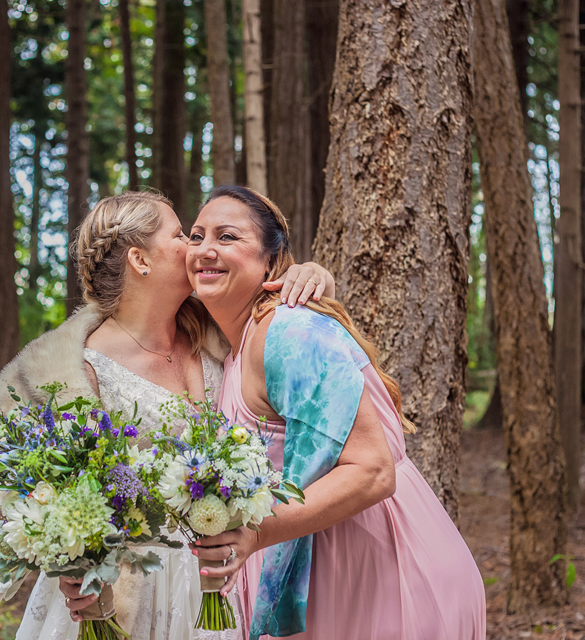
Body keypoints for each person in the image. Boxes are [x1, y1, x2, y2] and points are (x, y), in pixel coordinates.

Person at [0, 190, 335, 640]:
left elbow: (271, 306)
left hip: (221, 574)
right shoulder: (81, 373)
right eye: (181, 235)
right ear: (140, 260)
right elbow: (50, 498)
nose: (195, 247)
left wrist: (312, 274)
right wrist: (71, 563)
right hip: (128, 588)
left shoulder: (215, 330)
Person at [185, 186, 487, 640]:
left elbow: (373, 471)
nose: (205, 249)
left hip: (383, 577)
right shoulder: (235, 344)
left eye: (227, 236)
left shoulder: (289, 333)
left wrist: (256, 534)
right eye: (196, 236)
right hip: (332, 573)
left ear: (270, 261)